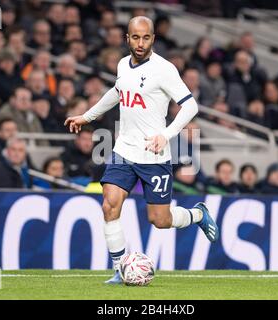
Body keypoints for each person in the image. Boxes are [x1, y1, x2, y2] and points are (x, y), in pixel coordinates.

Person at [64, 16, 219, 284]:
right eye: (135, 37)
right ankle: (118, 268)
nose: (140, 42)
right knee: (109, 205)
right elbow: (117, 91)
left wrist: (166, 134)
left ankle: (197, 214)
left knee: (159, 219)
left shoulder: (165, 69)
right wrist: (87, 116)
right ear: (127, 39)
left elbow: (191, 106)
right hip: (124, 149)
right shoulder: (123, 64)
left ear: (153, 39)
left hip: (154, 155)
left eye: (146, 37)